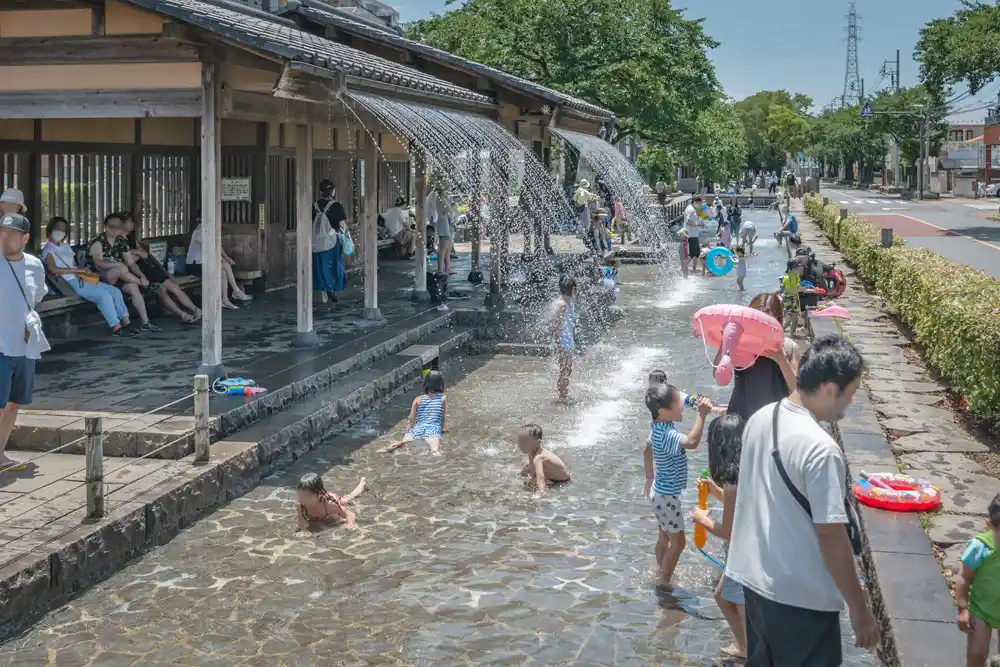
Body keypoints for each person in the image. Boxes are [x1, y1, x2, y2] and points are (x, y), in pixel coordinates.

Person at [726, 335, 878, 665]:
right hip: (800, 599)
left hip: (755, 582)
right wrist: (859, 608)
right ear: (827, 388)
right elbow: (830, 535)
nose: (848, 406)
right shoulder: (820, 449)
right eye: (848, 396)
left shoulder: (762, 418)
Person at [643, 383, 712, 587]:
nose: (681, 407)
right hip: (667, 497)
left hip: (658, 493)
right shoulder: (668, 435)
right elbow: (691, 442)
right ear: (663, 411)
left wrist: (692, 400)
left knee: (664, 536)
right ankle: (664, 581)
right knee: (679, 542)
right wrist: (702, 415)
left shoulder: (657, 426)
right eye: (678, 404)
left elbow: (646, 450)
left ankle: (660, 568)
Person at [692, 413, 747, 662]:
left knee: (735, 600)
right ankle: (747, 643)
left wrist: (701, 518)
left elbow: (728, 531)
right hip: (748, 552)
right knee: (723, 596)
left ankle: (748, 648)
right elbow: (735, 506)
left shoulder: (734, 486)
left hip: (743, 555)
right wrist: (715, 491)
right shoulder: (743, 479)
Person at [0, 212, 48, 471]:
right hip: (0, 344)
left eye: (11, 234)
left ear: (25, 237)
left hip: (24, 344)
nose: (5, 239)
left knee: (14, 402)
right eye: (1, 233)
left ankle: (0, 454)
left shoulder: (35, 265)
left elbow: (37, 297)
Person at [42, 217, 135, 336]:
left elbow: (74, 263)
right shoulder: (49, 249)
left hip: (80, 278)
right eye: (57, 229)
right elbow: (53, 269)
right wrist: (76, 270)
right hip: (69, 282)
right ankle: (116, 326)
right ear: (50, 229)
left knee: (114, 291)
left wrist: (83, 270)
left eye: (63, 230)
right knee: (103, 295)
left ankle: (127, 322)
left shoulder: (65, 247)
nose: (60, 232)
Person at [725, 293, 800, 422]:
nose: (760, 325)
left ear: (778, 319)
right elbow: (721, 378)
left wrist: (781, 359)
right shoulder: (741, 344)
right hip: (742, 416)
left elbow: (796, 390)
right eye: (756, 319)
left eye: (767, 320)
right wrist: (725, 345)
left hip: (776, 419)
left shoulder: (789, 347)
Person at [120, 213, 201, 324]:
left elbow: (144, 254)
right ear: (122, 224)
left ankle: (195, 309)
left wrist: (135, 253)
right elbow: (128, 260)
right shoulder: (118, 241)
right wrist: (137, 253)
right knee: (161, 290)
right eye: (130, 221)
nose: (132, 224)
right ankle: (182, 314)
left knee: (174, 286)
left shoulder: (130, 238)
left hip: (149, 269)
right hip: (137, 274)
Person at [87, 213, 161, 332]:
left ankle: (145, 322)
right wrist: (117, 264)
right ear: (105, 226)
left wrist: (142, 275)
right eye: (112, 227)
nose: (115, 230)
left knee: (133, 287)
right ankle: (146, 285)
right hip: (98, 278)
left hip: (119, 276)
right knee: (119, 267)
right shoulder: (97, 241)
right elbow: (98, 263)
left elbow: (131, 263)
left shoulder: (121, 241)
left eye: (117, 227)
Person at [956, 493, 1000, 667]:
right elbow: (963, 578)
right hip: (982, 609)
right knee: (976, 653)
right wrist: (963, 609)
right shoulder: (980, 547)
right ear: (989, 527)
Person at [186, 214, 253, 310]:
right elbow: (210, 249)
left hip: (205, 263)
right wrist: (222, 259)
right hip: (195, 265)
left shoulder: (210, 230)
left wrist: (226, 257)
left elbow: (217, 246)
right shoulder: (199, 232)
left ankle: (224, 300)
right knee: (224, 265)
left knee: (223, 271)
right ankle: (236, 291)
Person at [377, 371, 446, 456]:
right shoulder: (442, 398)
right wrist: (442, 429)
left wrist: (409, 431)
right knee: (435, 450)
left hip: (418, 429)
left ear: (426, 383)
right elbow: (442, 416)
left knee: (403, 442)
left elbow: (411, 420)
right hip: (432, 430)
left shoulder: (417, 399)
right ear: (440, 384)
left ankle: (391, 447)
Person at [312, 179, 348, 304]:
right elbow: (342, 225)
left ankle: (322, 292)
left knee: (319, 266)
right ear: (333, 191)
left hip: (316, 242)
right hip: (332, 242)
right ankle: (331, 288)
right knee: (333, 265)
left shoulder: (314, 206)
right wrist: (347, 238)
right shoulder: (336, 206)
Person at [294, 472, 367, 533]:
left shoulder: (330, 504)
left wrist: (349, 525)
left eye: (306, 497)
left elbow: (349, 515)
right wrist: (304, 531)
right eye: (300, 496)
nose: (302, 500)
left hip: (331, 498)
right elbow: (302, 521)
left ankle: (362, 483)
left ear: (319, 494)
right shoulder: (301, 505)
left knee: (346, 499)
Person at [517, 423, 571, 497]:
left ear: (537, 443)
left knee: (528, 483)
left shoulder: (539, 457)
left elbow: (540, 477)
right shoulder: (531, 452)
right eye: (519, 441)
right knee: (526, 466)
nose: (520, 445)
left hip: (561, 481)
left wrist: (540, 493)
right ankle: (546, 480)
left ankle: (548, 482)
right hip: (555, 475)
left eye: (524, 442)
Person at [551, 275, 576, 403]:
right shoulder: (562, 305)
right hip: (563, 342)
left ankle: (564, 392)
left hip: (568, 341)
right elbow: (554, 326)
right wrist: (558, 344)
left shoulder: (567, 303)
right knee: (563, 370)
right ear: (572, 290)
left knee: (568, 369)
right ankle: (562, 397)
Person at [782, 259, 806, 337]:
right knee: (788, 319)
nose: (800, 269)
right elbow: (787, 291)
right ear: (793, 268)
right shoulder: (786, 278)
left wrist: (806, 289)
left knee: (795, 319)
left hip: (795, 298)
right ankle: (780, 332)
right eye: (798, 267)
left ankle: (792, 334)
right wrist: (800, 289)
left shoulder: (796, 276)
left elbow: (798, 286)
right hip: (788, 300)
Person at [683, 197, 705, 275]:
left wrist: (701, 224)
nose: (700, 205)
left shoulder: (694, 209)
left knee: (697, 253)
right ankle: (684, 267)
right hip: (691, 234)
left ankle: (694, 268)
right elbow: (689, 222)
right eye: (700, 203)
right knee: (692, 254)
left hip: (695, 234)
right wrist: (698, 224)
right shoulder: (691, 210)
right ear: (695, 202)